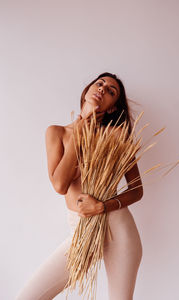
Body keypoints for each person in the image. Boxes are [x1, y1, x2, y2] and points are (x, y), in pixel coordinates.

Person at [15, 72, 143, 300]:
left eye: (111, 91)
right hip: (81, 227)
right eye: (100, 83)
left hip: (117, 227)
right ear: (87, 91)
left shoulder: (116, 136)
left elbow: (137, 189)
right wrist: (81, 130)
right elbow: (60, 184)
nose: (103, 89)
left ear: (113, 107)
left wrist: (102, 207)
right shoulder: (57, 132)